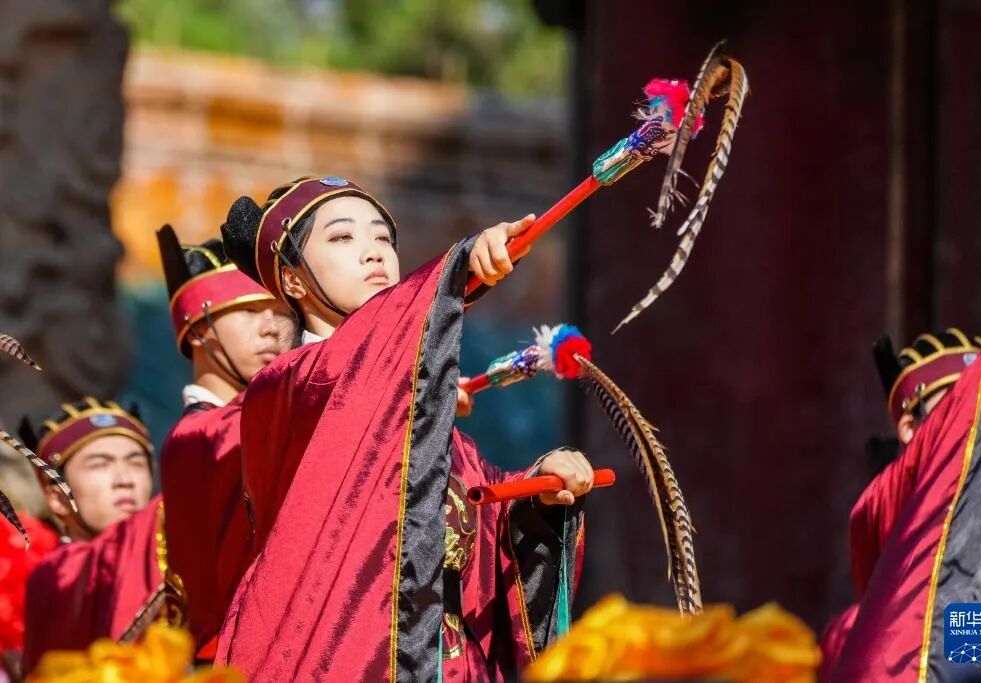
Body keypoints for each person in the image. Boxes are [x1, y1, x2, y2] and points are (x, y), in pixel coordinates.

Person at [216, 176, 594, 680]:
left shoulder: (430, 428)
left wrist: (540, 498)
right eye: (343, 238)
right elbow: (361, 366)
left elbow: (479, 520)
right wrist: (460, 269)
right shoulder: (290, 387)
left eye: (383, 239)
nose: (374, 254)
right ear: (294, 280)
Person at [825, 327, 981, 680]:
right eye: (957, 403)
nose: (973, 419)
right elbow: (954, 639)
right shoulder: (888, 498)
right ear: (908, 427)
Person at [156, 226, 295, 659]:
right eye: (251, 311)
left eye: (280, 311)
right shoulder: (201, 434)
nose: (273, 328)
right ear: (197, 328)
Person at [20, 398, 163, 672]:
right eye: (99, 464)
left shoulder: (162, 544)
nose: (125, 479)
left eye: (136, 463)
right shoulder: (57, 573)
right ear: (57, 497)